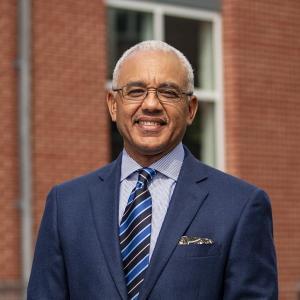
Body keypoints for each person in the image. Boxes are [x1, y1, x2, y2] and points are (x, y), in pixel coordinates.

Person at [27, 40, 278, 299]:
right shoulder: (66, 204)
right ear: (113, 105)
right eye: (135, 91)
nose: (151, 104)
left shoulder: (241, 205)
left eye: (168, 93)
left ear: (190, 109)